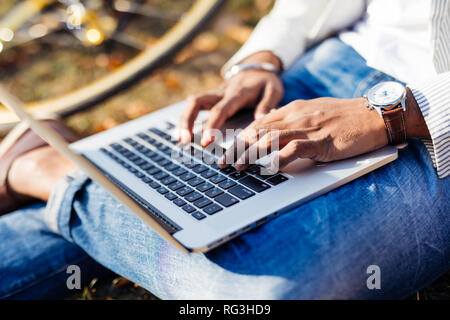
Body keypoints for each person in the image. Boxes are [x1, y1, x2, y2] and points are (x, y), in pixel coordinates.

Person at [0, 0, 448, 299]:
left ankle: (47, 166)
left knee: (263, 295)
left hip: (433, 129)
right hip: (324, 71)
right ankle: (84, 179)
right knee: (185, 200)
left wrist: (400, 114)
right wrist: (264, 57)